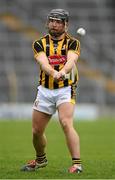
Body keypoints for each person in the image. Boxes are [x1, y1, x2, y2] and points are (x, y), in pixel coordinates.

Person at [21, 9, 82, 173]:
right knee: (36, 131)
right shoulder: (39, 43)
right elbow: (43, 63)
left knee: (66, 122)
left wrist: (62, 72)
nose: (54, 24)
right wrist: (53, 72)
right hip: (45, 90)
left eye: (58, 21)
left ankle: (77, 164)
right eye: (51, 21)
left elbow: (71, 60)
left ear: (66, 25)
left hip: (65, 88)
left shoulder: (73, 43)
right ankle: (40, 159)